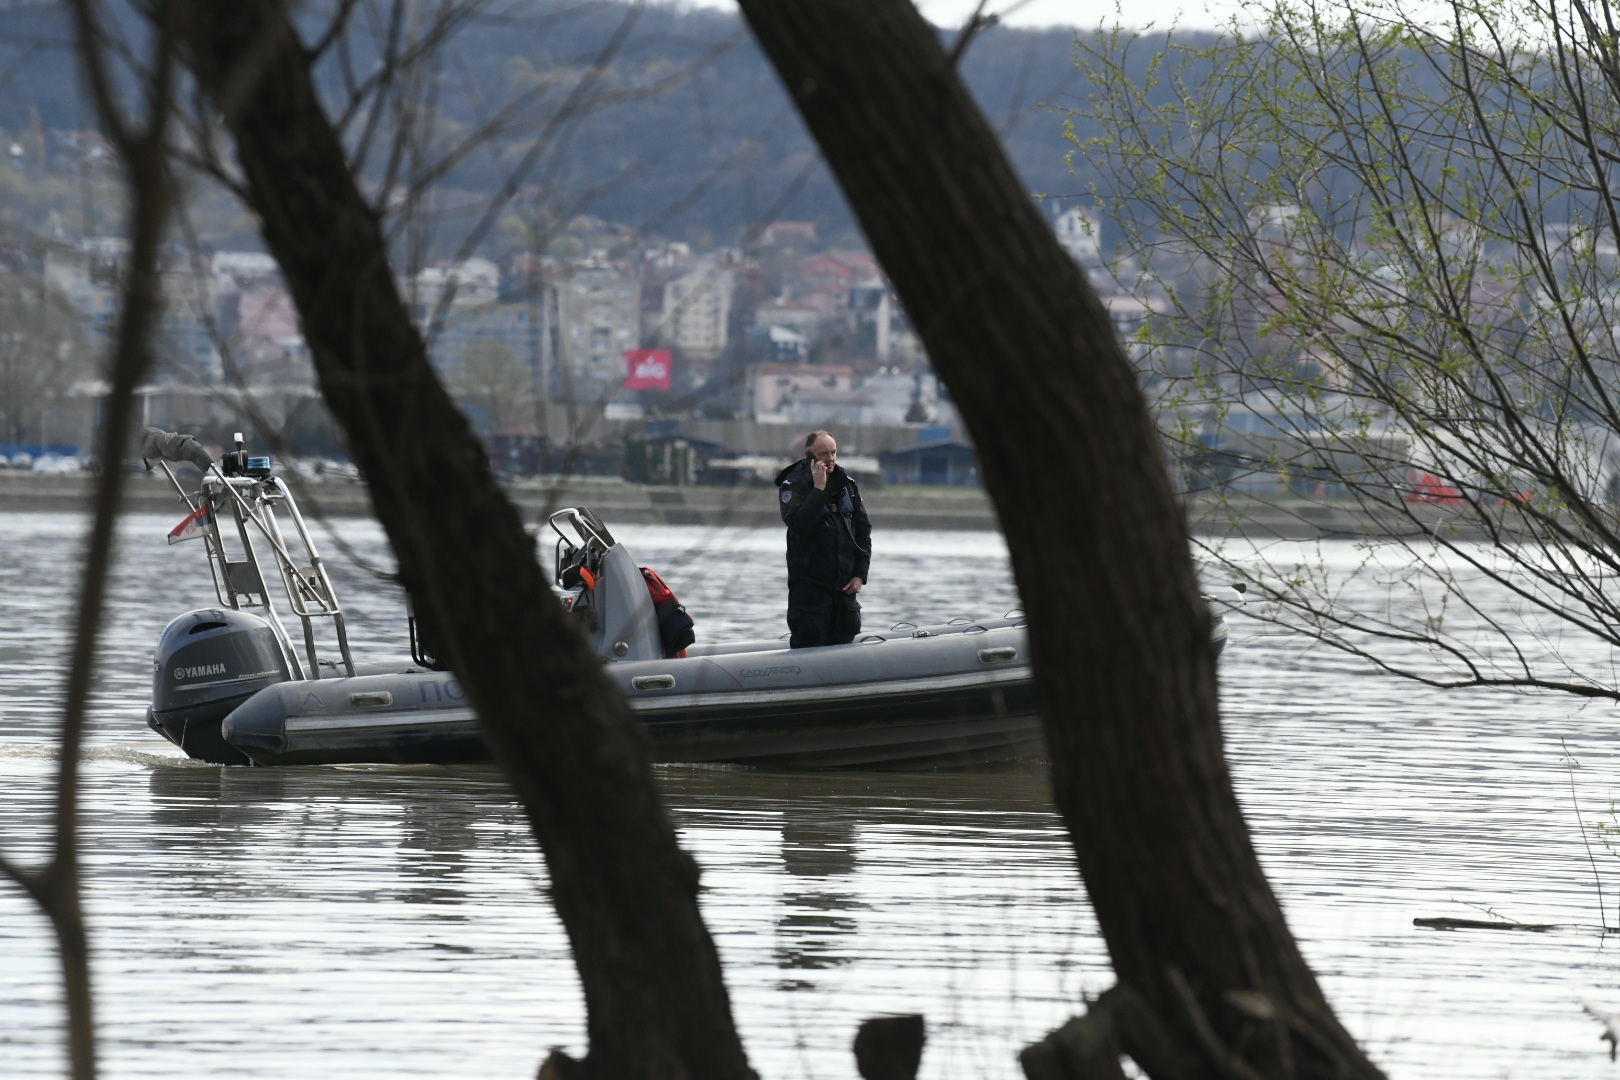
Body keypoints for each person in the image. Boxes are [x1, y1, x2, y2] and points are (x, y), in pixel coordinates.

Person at [774, 430, 873, 648]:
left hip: (844, 595)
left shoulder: (846, 484)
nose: (830, 459)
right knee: (809, 645)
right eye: (823, 454)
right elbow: (800, 525)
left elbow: (863, 532)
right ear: (809, 455)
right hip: (811, 596)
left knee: (844, 648)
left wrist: (860, 575)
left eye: (833, 452)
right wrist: (818, 490)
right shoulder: (792, 485)